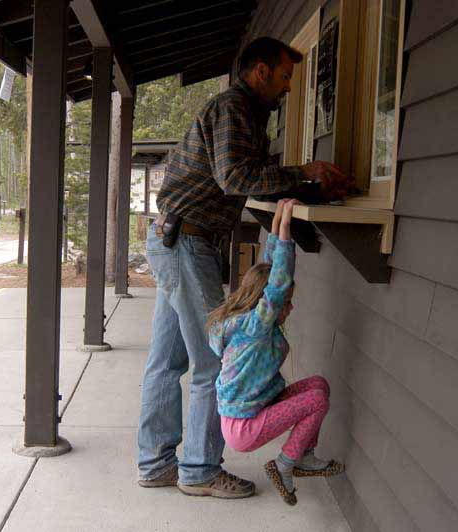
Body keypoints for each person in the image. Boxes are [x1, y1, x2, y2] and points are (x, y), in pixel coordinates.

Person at [137, 36, 354, 499]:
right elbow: (235, 177)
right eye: (284, 75)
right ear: (259, 71)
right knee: (215, 361)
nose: (288, 87)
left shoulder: (247, 114)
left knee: (168, 360)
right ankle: (198, 470)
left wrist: (305, 186)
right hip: (187, 243)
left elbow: (245, 175)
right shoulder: (235, 109)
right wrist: (303, 173)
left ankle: (155, 464)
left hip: (174, 238)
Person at [207, 199, 344, 506]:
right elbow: (277, 283)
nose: (290, 307)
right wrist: (285, 231)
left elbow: (269, 272)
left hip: (254, 407)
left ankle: (303, 456)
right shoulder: (255, 328)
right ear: (267, 305)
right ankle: (284, 465)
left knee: (319, 385)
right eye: (286, 304)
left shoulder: (249, 322)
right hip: (245, 427)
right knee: (317, 400)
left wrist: (278, 225)